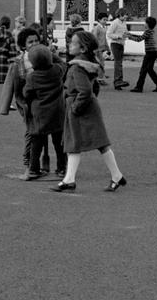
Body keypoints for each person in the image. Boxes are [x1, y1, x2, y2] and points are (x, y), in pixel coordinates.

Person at [52, 30, 127, 193]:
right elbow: (94, 87)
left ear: (83, 48)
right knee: (99, 143)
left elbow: (84, 91)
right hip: (89, 107)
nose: (70, 45)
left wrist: (75, 107)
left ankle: (70, 180)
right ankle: (115, 176)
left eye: (73, 43)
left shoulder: (76, 68)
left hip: (79, 108)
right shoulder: (89, 64)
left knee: (75, 143)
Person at [1, 25, 53, 177]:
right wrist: (5, 106)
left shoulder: (44, 58)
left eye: (37, 41)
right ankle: (28, 163)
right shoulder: (18, 63)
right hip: (26, 103)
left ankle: (33, 164)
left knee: (40, 131)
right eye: (30, 42)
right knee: (33, 131)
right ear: (23, 45)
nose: (34, 44)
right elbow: (9, 85)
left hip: (42, 102)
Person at [21, 44, 68, 181]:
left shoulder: (32, 77)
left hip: (40, 114)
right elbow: (62, 63)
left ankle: (34, 169)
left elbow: (26, 93)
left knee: (37, 143)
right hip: (58, 112)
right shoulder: (57, 71)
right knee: (59, 143)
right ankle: (62, 168)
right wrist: (51, 53)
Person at [130, 16, 157, 92]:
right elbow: (141, 36)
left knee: (143, 70)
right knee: (150, 70)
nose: (144, 24)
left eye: (145, 23)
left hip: (150, 53)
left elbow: (139, 39)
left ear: (148, 24)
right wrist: (130, 34)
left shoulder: (148, 31)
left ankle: (139, 87)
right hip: (154, 52)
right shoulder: (150, 31)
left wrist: (129, 37)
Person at [106, 10, 131, 90]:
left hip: (121, 44)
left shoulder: (124, 22)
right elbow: (109, 34)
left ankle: (118, 82)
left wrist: (128, 34)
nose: (126, 17)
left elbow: (125, 31)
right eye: (125, 15)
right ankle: (117, 81)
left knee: (120, 63)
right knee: (118, 62)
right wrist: (118, 36)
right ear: (120, 15)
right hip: (115, 44)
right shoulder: (115, 22)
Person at [91, 12, 111, 85]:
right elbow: (94, 38)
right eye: (104, 20)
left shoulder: (104, 28)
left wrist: (108, 48)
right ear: (99, 20)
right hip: (97, 49)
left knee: (102, 64)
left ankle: (100, 78)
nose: (105, 21)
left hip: (102, 49)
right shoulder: (97, 28)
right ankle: (98, 79)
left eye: (106, 20)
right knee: (98, 64)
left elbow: (105, 39)